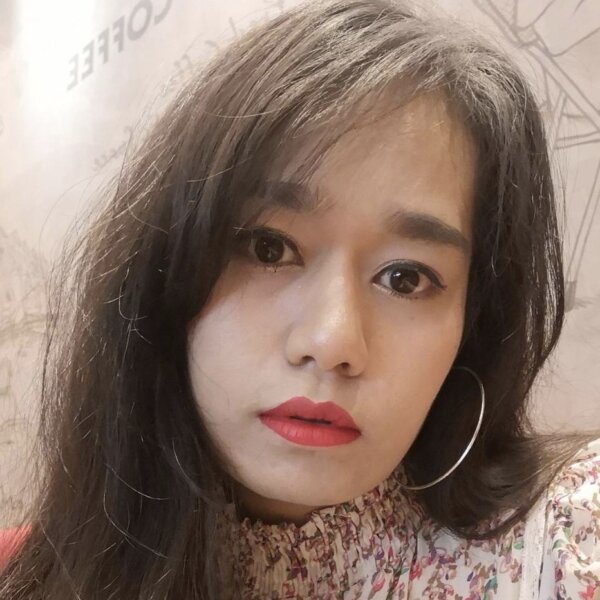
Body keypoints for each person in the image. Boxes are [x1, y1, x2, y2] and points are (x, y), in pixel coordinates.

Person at [1, 0, 599, 598]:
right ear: (163, 269)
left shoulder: (565, 545)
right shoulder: (37, 575)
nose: (332, 342)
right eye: (269, 248)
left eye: (405, 278)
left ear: (472, 327)